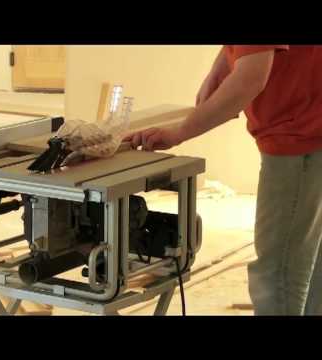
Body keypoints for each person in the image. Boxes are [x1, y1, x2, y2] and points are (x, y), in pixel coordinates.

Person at [124, 45, 322, 315]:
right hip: (310, 119)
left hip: (300, 134)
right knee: (308, 262)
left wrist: (179, 132)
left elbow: (250, 79)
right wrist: (221, 68)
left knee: (278, 273)